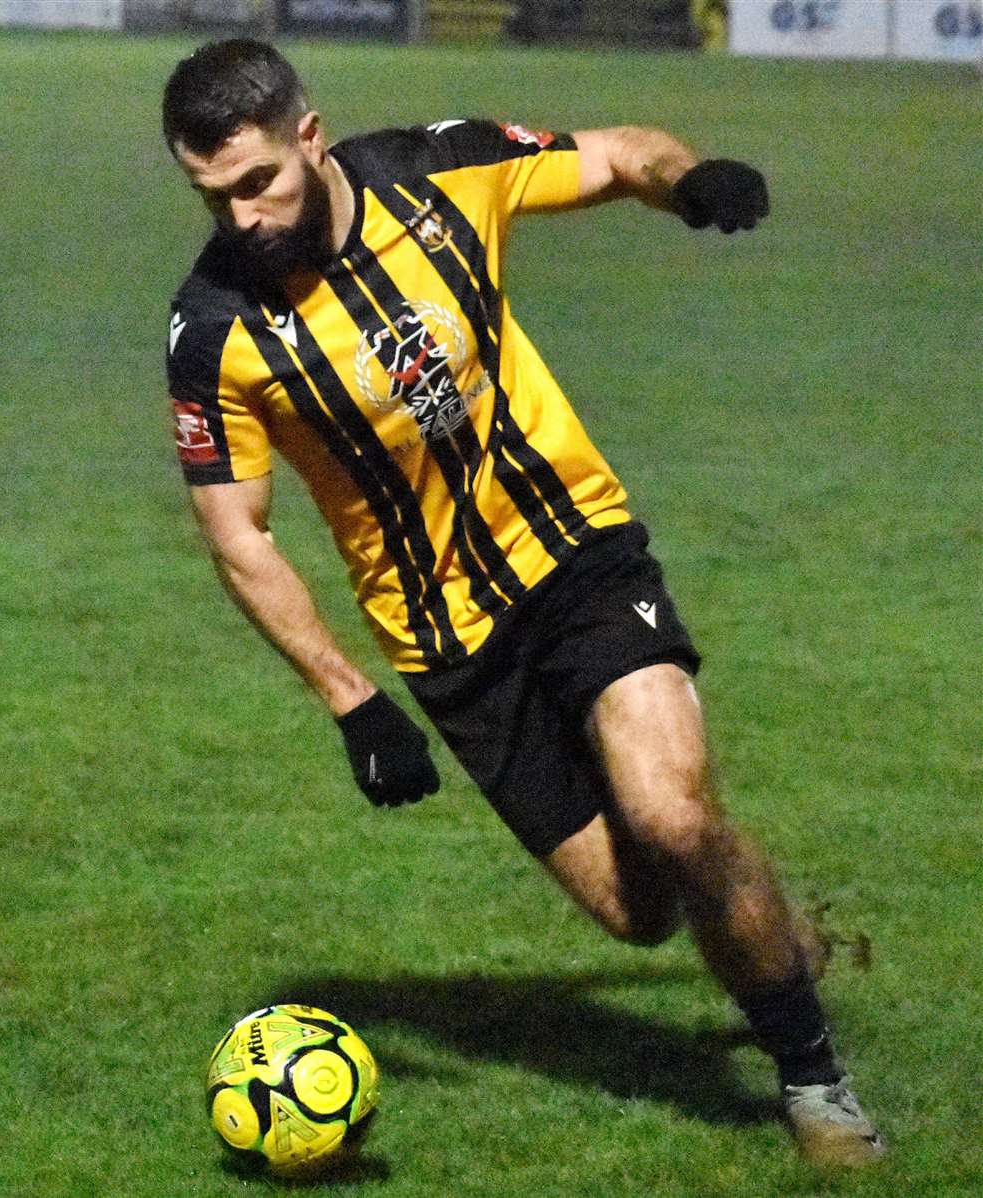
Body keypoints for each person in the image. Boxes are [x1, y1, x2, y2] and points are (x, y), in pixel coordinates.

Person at [161, 38, 885, 1167]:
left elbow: (613, 154)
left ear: (310, 135)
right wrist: (355, 703)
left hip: (576, 552)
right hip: (452, 645)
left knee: (674, 812)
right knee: (645, 911)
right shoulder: (213, 330)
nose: (242, 218)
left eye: (257, 182)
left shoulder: (433, 170)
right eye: (212, 197)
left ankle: (816, 1084)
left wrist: (685, 182)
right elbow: (236, 536)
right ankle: (762, 925)